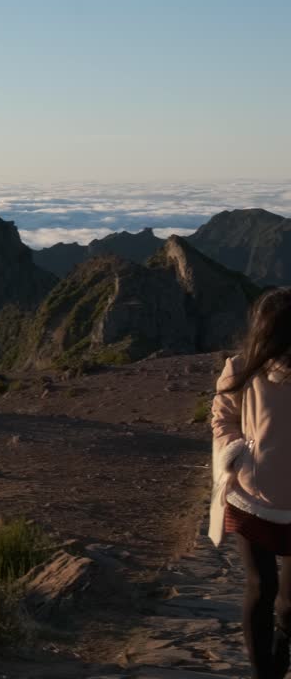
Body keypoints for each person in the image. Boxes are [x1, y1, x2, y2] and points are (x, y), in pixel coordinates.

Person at [213, 287, 291, 679]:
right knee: (261, 589)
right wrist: (239, 453)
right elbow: (222, 417)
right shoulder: (242, 367)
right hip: (251, 500)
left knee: (290, 605)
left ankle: (282, 647)